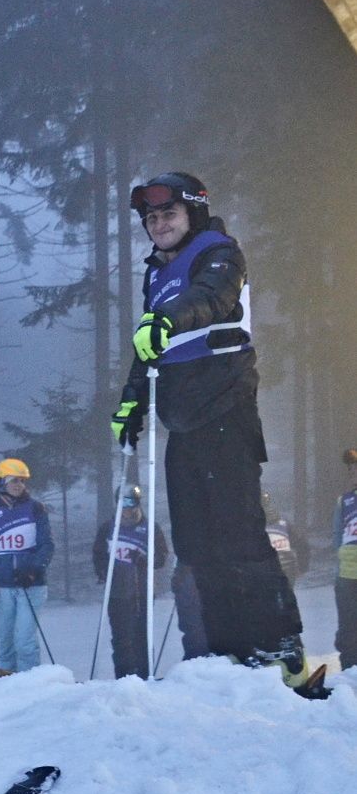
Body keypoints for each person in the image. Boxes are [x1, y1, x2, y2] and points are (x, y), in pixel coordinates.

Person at [111, 172, 324, 698]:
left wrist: (165, 320)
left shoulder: (219, 253)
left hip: (226, 411)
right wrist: (132, 401)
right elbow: (150, 347)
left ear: (194, 213)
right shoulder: (157, 274)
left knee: (238, 534)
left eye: (169, 214)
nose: (159, 225)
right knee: (195, 544)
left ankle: (279, 646)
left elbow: (211, 298)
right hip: (181, 422)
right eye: (151, 218)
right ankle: (230, 649)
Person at [0, 459, 54, 674]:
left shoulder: (36, 509)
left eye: (21, 481)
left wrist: (33, 570)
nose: (18, 485)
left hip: (31, 585)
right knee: (4, 642)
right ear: (2, 482)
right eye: (13, 480)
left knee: (24, 641)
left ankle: (29, 684)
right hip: (2, 586)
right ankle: (6, 683)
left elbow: (47, 545)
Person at [92, 486, 169, 679]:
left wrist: (145, 560)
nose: (128, 508)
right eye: (124, 502)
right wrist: (102, 570)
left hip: (142, 591)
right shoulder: (108, 528)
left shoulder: (150, 528)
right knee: (121, 638)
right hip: (117, 593)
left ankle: (145, 676)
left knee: (141, 636)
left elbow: (161, 557)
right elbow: (98, 554)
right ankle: (124, 677)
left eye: (132, 502)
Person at [335, 448, 357, 672]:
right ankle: (350, 672)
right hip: (347, 577)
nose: (353, 472)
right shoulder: (344, 501)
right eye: (351, 469)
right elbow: (337, 538)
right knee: (348, 630)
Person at [260, 491, 309, 583]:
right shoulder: (283, 522)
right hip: (287, 570)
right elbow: (302, 544)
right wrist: (303, 567)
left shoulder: (250, 525)